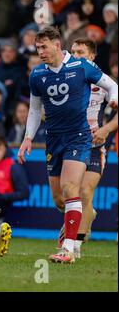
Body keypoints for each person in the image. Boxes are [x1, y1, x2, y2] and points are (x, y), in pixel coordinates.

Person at [18, 26, 118, 264]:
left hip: (80, 136)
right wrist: (28, 137)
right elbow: (34, 109)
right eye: (37, 47)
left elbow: (113, 85)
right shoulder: (37, 74)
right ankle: (80, 217)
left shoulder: (82, 66)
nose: (40, 51)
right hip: (53, 138)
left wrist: (114, 99)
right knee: (59, 199)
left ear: (57, 44)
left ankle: (69, 249)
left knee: (73, 188)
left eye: (44, 46)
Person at [54, 38, 118, 258]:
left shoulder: (102, 81)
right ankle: (86, 214)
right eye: (72, 51)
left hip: (94, 145)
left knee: (84, 190)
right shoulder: (67, 76)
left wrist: (106, 130)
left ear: (92, 56)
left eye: (80, 52)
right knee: (63, 198)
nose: (75, 55)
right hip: (70, 142)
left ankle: (75, 245)